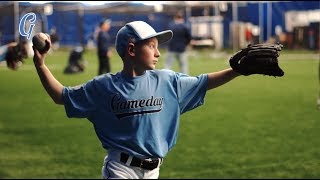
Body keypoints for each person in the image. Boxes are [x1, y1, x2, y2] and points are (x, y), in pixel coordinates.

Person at [32, 21, 241, 179]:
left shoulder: (168, 80)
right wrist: (41, 64)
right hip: (120, 169)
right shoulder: (103, 87)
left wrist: (237, 70)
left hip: (153, 171)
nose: (158, 53)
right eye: (151, 46)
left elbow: (204, 82)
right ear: (131, 50)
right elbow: (62, 96)